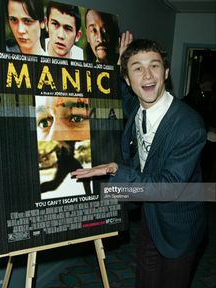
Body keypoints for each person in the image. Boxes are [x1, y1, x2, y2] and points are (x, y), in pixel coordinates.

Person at [71, 38, 207, 288]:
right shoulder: (136, 105)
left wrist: (115, 171)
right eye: (137, 68)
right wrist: (119, 59)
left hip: (179, 226)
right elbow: (123, 92)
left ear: (166, 72)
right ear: (128, 78)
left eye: (154, 66)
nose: (147, 75)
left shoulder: (189, 126)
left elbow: (168, 188)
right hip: (150, 217)